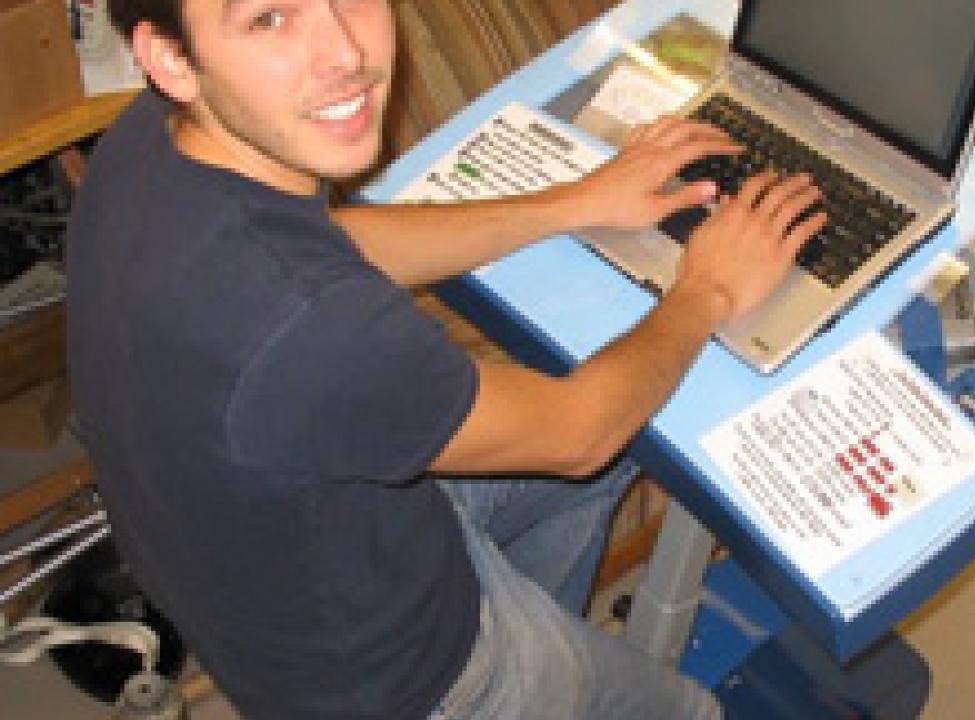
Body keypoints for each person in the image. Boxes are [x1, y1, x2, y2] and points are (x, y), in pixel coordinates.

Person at [67, 1, 826, 718]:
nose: (347, 54)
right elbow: (575, 435)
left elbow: (334, 246)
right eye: (270, 18)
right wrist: (708, 290)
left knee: (618, 462)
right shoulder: (312, 334)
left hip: (284, 565)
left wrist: (571, 202)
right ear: (169, 57)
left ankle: (533, 614)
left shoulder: (157, 136)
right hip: (403, 675)